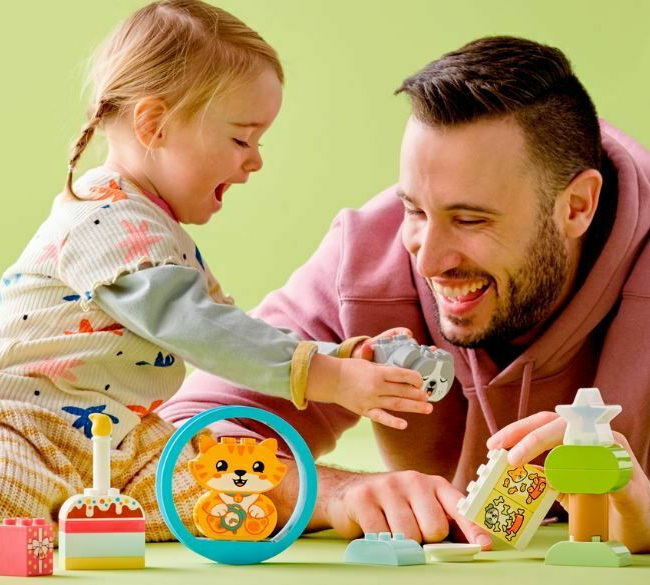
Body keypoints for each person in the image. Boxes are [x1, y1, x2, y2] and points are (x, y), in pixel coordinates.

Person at [160, 36, 650, 552]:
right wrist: (333, 495)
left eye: (470, 219)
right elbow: (165, 446)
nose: (427, 261)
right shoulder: (370, 258)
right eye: (414, 210)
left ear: (577, 206)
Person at [0, 0, 430, 551]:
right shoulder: (102, 217)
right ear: (154, 125)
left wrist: (341, 358)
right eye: (241, 139)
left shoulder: (159, 231)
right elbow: (198, 328)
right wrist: (326, 377)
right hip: (20, 424)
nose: (255, 161)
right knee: (4, 487)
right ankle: (56, 509)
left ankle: (79, 511)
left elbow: (234, 333)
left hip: (120, 443)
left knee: (232, 482)